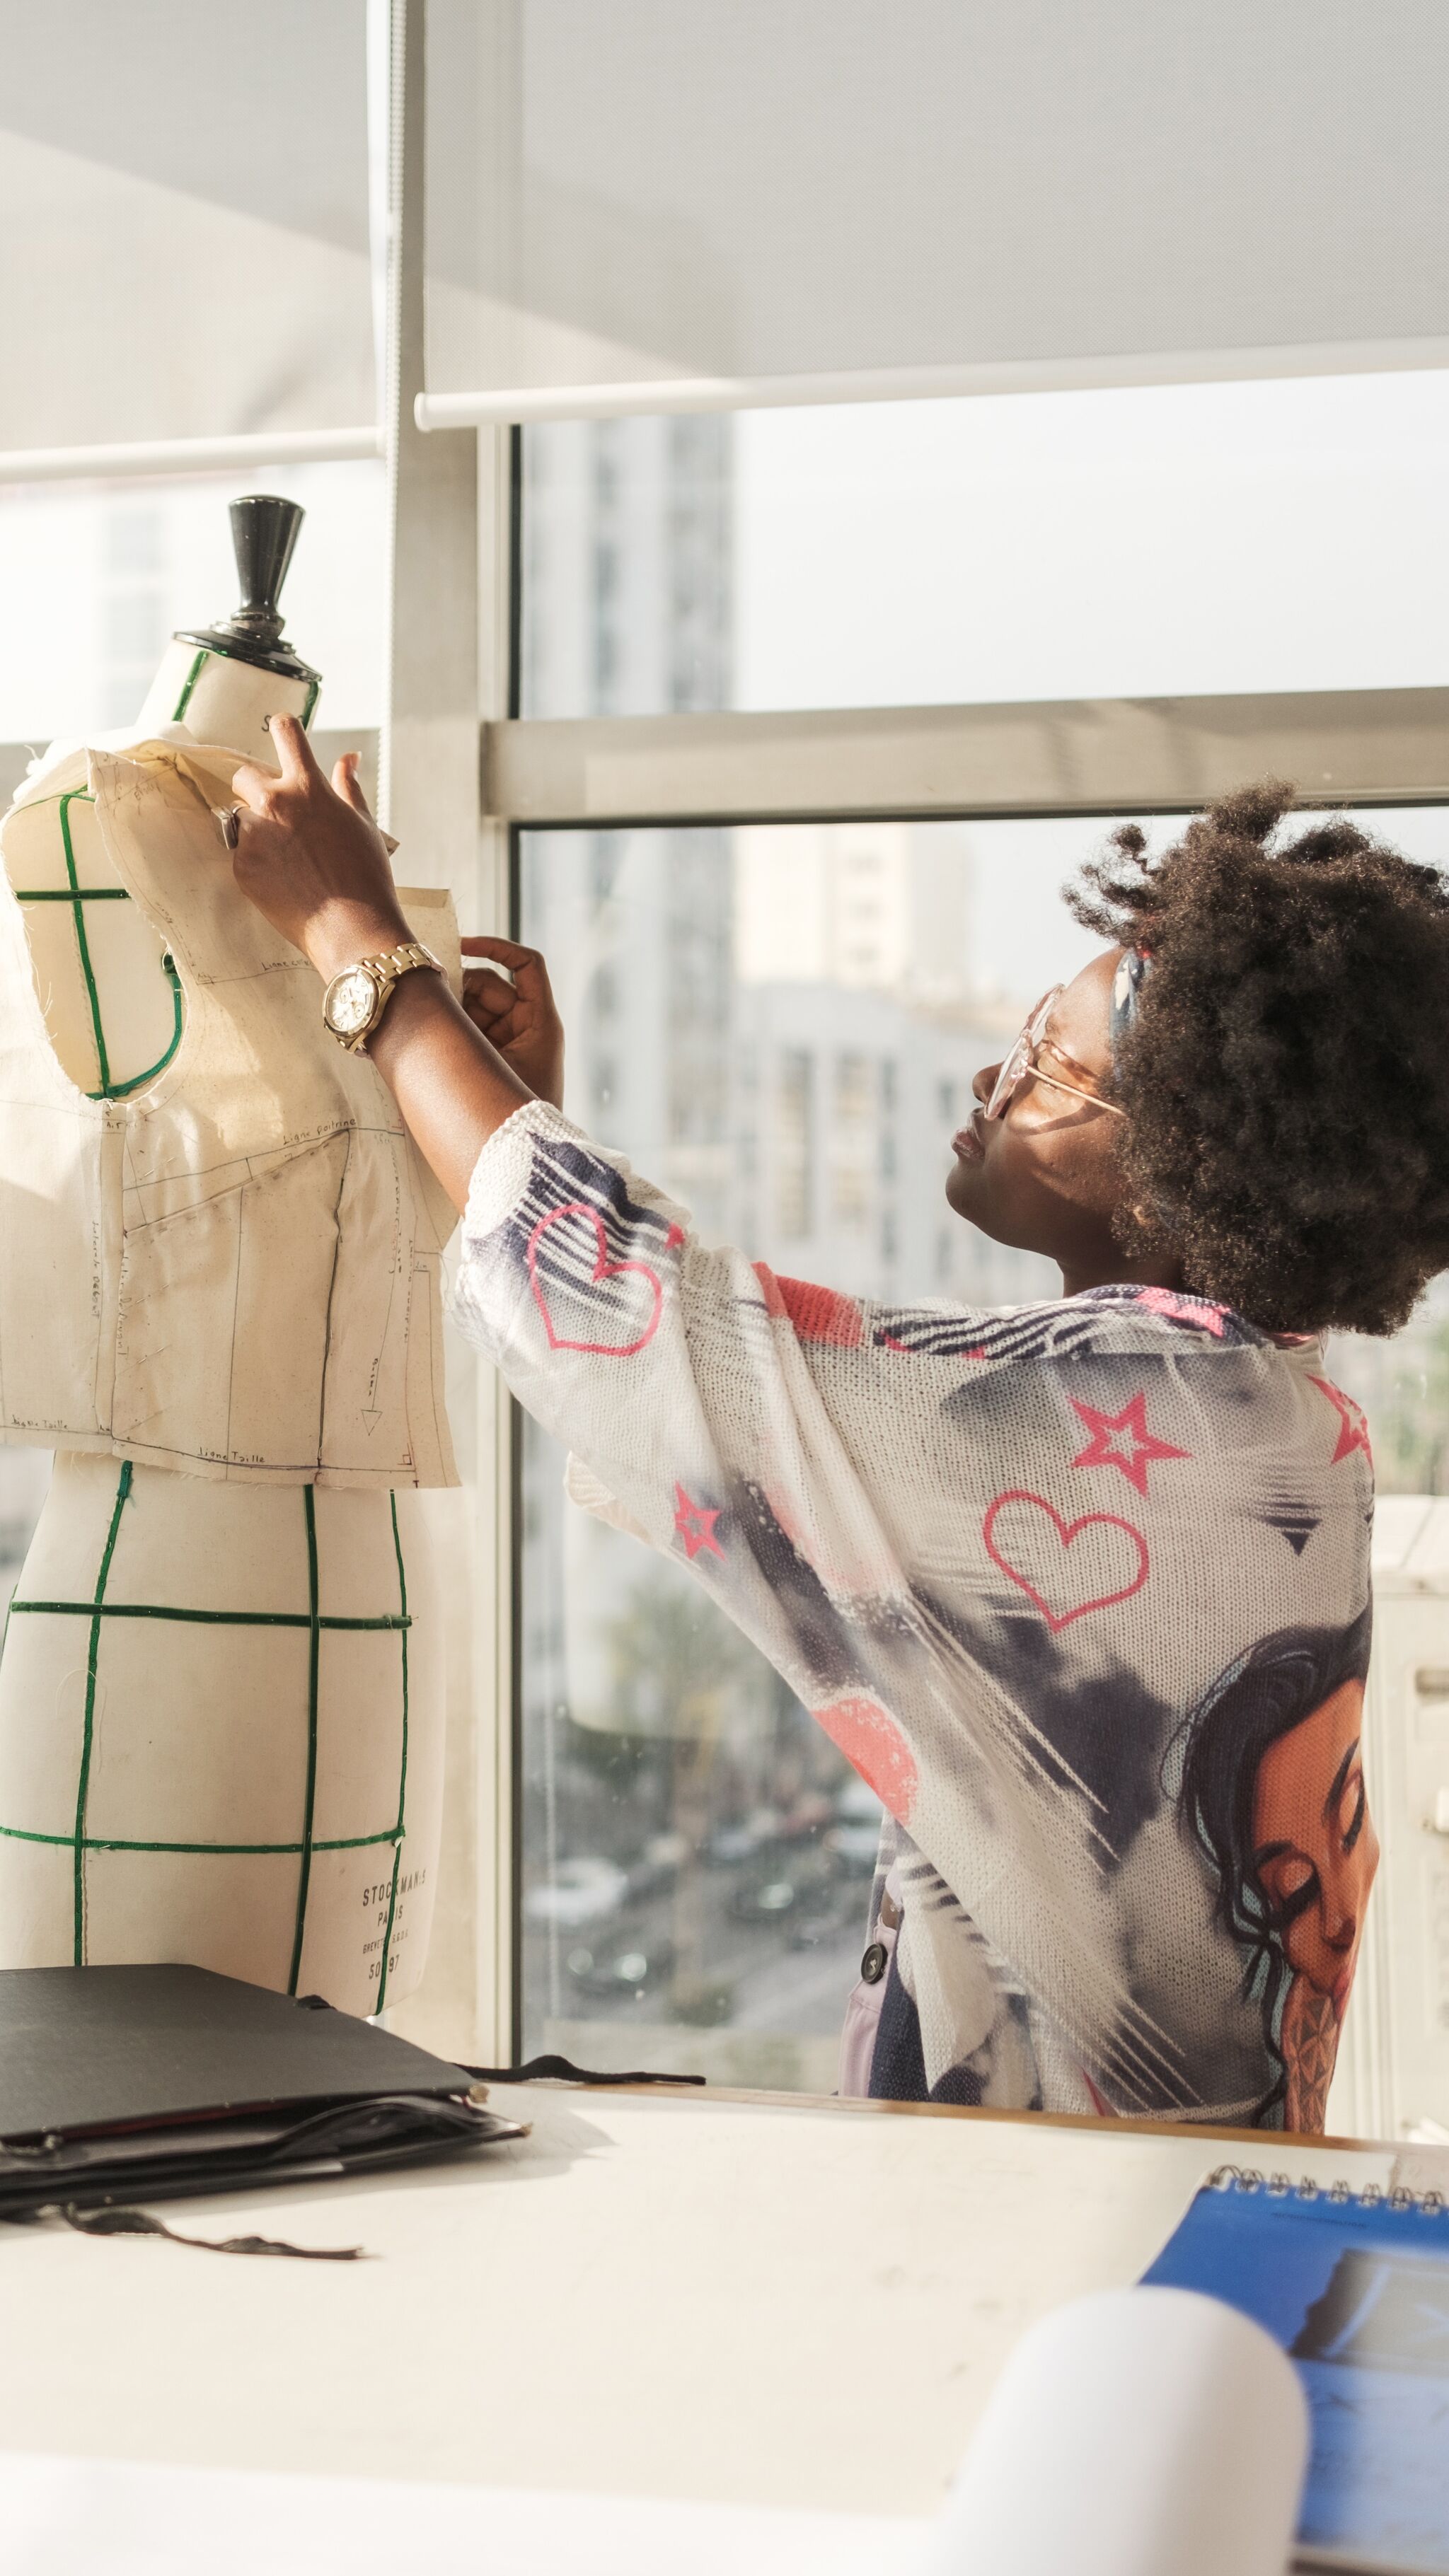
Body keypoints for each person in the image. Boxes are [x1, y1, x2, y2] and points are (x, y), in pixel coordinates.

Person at [230, 723, 1449, 2129]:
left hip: (1052, 2251)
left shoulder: (1136, 1421)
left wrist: (356, 940)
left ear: (1174, 1176)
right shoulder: (1279, 1424)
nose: (991, 1085)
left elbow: (654, 1327)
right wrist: (522, 1115)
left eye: (1050, 1068)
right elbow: (698, 1353)